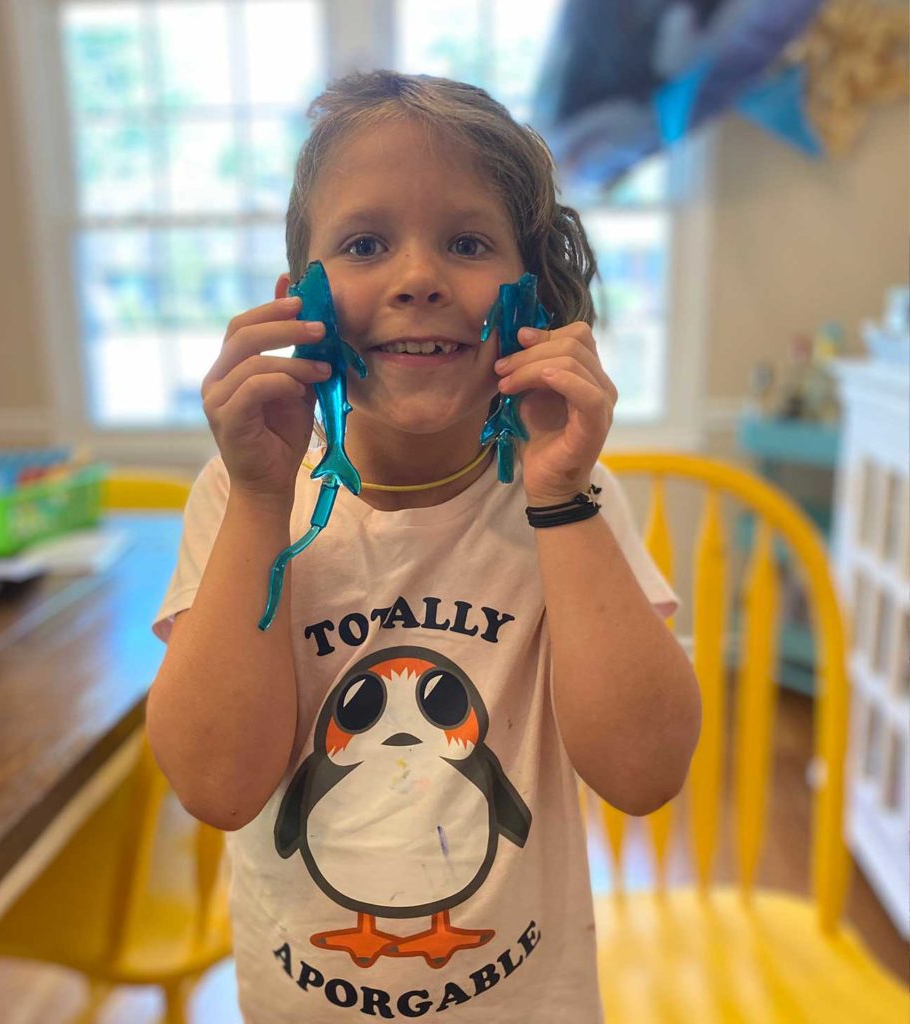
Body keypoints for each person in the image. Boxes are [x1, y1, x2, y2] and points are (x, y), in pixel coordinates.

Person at [148, 70, 701, 1023]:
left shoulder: (569, 491)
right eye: (365, 244)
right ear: (300, 300)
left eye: (468, 242)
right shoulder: (246, 493)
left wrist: (562, 498)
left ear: (530, 294)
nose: (417, 277)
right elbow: (217, 785)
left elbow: (644, 775)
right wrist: (257, 499)